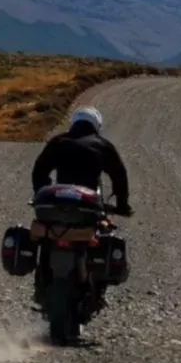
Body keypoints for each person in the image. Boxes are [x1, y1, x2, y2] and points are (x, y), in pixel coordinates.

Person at [30, 106, 132, 306]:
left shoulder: (58, 141)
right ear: (97, 126)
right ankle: (95, 287)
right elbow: (119, 176)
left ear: (74, 122)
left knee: (46, 238)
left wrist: (42, 192)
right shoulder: (103, 145)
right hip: (87, 207)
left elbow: (39, 170)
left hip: (56, 203)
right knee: (100, 236)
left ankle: (40, 285)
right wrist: (122, 205)